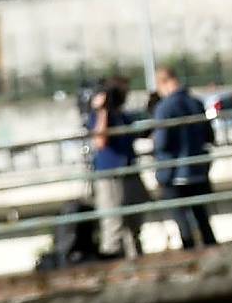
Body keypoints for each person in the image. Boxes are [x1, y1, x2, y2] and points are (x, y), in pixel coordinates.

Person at [150, 66, 216, 249]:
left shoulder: (164, 108)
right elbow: (209, 136)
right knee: (202, 216)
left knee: (181, 219)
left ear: (163, 83)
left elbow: (162, 142)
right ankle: (211, 249)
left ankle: (190, 250)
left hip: (173, 172)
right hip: (197, 169)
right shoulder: (196, 103)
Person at [88, 72, 148, 258]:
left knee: (134, 226)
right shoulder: (99, 116)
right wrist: (103, 109)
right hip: (110, 176)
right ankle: (112, 265)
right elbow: (100, 141)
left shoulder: (124, 116)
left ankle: (136, 263)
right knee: (113, 227)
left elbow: (142, 132)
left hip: (129, 173)